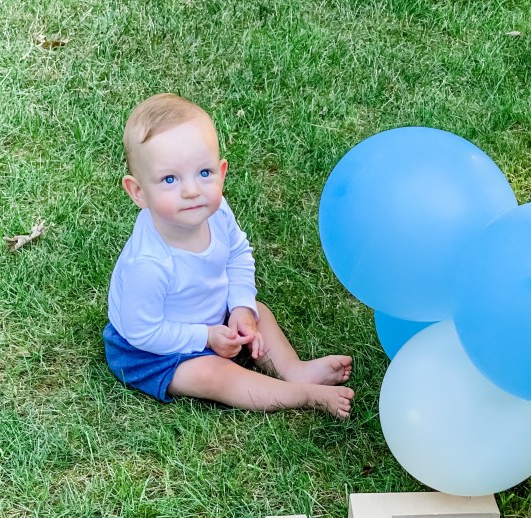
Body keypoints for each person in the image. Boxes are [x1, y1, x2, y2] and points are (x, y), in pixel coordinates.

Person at [104, 94, 354, 418]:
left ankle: (294, 370)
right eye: (170, 179)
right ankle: (304, 395)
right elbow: (144, 331)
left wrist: (240, 308)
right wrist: (206, 337)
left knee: (259, 312)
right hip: (151, 350)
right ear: (138, 192)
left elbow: (237, 253)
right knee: (215, 375)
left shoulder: (217, 211)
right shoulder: (148, 264)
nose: (192, 190)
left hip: (209, 313)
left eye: (204, 173)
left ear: (221, 172)